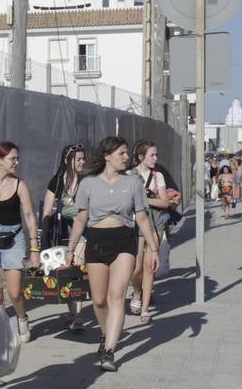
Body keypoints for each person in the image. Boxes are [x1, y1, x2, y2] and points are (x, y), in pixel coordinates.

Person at [66, 136, 159, 372]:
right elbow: (80, 218)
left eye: (127, 153)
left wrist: (153, 248)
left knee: (116, 296)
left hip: (124, 241)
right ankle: (106, 334)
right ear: (107, 156)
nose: (127, 157)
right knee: (98, 300)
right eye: (122, 153)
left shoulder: (133, 183)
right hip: (96, 241)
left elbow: (141, 217)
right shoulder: (88, 183)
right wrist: (70, 248)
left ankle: (109, 351)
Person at [0, 142, 39, 344]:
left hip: (14, 238)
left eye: (17, 158)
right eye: (13, 158)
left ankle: (22, 318)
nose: (17, 162)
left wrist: (34, 248)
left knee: (15, 292)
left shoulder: (20, 185)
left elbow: (29, 216)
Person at [128, 141, 180, 323]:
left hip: (154, 224)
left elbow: (165, 202)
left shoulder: (158, 176)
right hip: (134, 226)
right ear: (141, 157)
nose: (156, 158)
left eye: (156, 155)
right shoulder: (129, 176)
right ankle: (136, 292)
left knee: (149, 268)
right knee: (135, 268)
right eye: (152, 155)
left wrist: (144, 200)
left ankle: (144, 308)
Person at [41, 144, 87, 331]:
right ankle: (73, 314)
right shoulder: (58, 181)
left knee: (78, 271)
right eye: (79, 159)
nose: (83, 162)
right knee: (69, 272)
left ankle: (76, 316)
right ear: (69, 160)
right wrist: (43, 240)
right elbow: (46, 210)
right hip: (64, 233)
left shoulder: (87, 180)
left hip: (84, 233)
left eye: (84, 158)